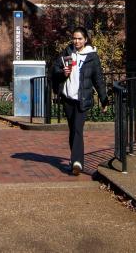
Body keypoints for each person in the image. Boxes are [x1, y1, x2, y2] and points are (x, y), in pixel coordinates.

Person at [50, 26, 108, 176]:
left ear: (85, 40)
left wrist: (104, 99)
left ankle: (77, 162)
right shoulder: (67, 52)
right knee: (72, 131)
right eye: (74, 38)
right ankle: (75, 160)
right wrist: (62, 73)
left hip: (83, 99)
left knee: (77, 129)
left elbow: (98, 79)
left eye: (79, 38)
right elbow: (54, 70)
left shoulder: (92, 57)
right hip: (68, 98)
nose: (76, 41)